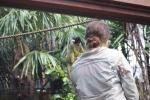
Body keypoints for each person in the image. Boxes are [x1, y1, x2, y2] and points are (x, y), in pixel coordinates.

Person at [70, 21, 139, 100]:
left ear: (86, 39)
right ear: (106, 39)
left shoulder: (75, 66)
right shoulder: (115, 56)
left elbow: (79, 94)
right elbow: (131, 91)